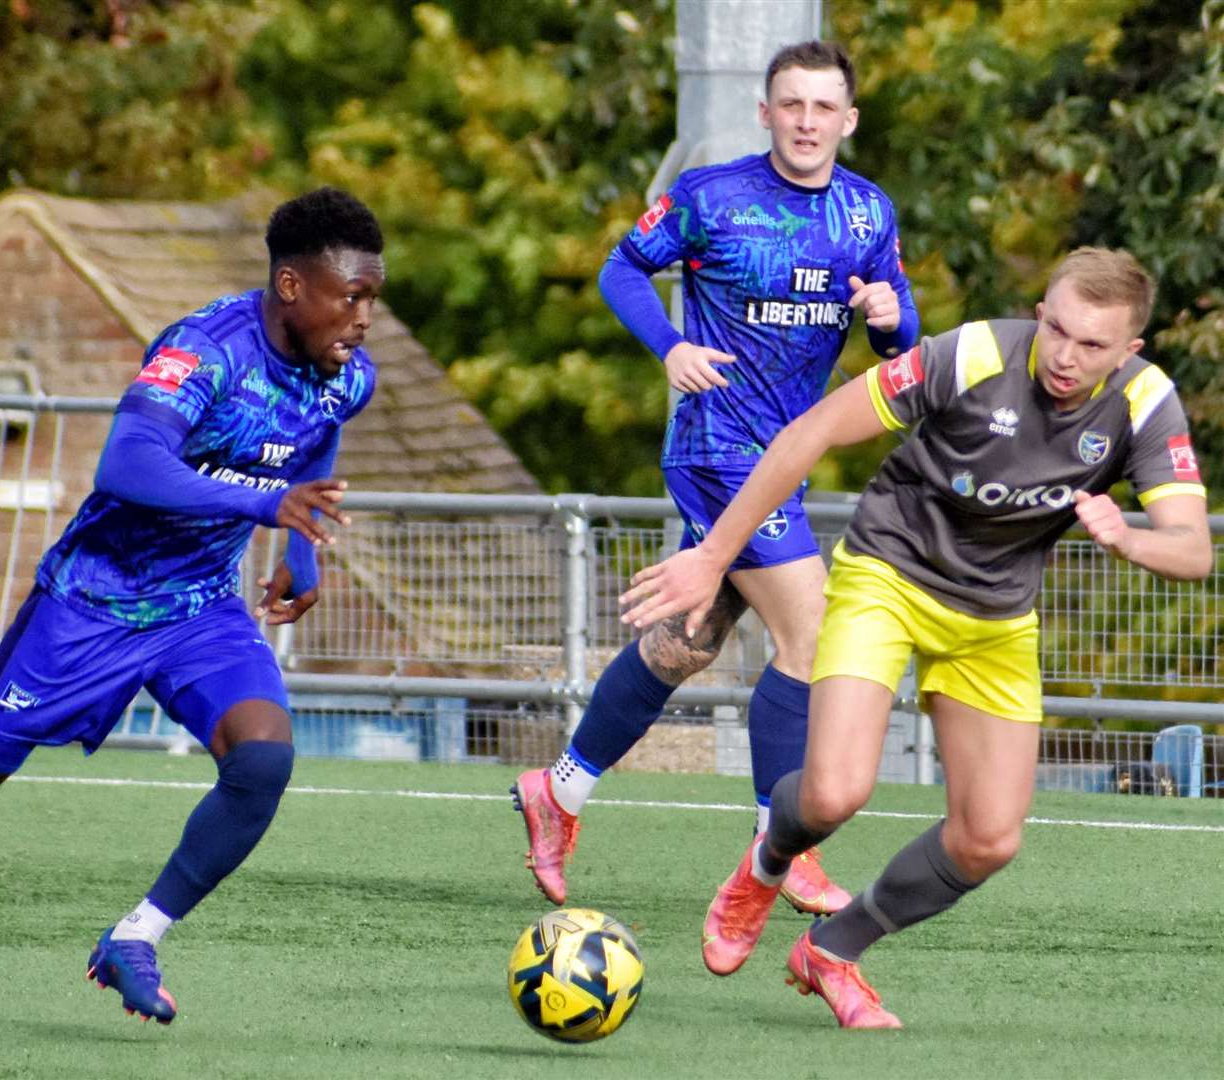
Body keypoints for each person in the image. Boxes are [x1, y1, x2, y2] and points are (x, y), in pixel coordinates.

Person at [0, 187, 387, 1025]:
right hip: (93, 600)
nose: (362, 318)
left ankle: (135, 936)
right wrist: (262, 507)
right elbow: (127, 466)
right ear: (291, 286)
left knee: (264, 758)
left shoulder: (345, 376)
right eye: (351, 297)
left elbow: (320, 436)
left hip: (198, 609)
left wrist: (300, 547)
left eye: (371, 300)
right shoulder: (204, 352)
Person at [618, 247, 1211, 1027]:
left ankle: (831, 950)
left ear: (1128, 350)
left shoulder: (1145, 401)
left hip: (994, 615)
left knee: (988, 839)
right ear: (1041, 310)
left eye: (1092, 345)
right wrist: (711, 556)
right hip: (887, 574)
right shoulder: (968, 354)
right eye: (1056, 329)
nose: (1066, 356)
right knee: (832, 793)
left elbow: (1193, 551)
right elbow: (810, 433)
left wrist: (1126, 537)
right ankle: (765, 864)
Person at [511, 40, 919, 944]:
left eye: (823, 107)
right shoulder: (711, 197)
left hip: (782, 458)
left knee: (688, 641)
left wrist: (894, 320)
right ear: (764, 114)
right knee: (809, 631)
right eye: (790, 104)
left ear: (847, 121)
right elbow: (620, 267)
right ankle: (783, 844)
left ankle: (557, 790)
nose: (806, 121)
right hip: (717, 447)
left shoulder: (865, 213)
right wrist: (668, 345)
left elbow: (899, 329)